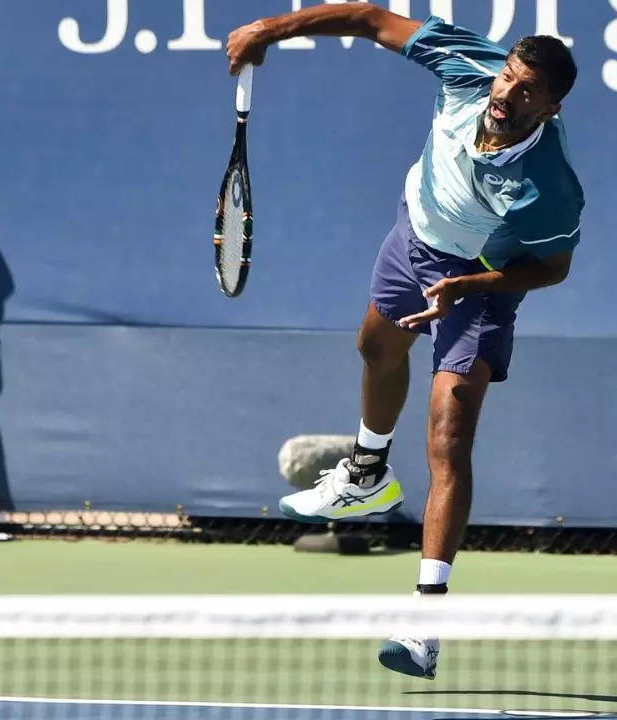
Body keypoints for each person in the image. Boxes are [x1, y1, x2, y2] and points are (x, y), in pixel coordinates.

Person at [226, 5, 582, 679]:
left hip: (480, 281)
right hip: (415, 235)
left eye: (528, 90)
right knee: (375, 348)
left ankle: (427, 620)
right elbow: (364, 17)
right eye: (508, 75)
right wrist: (268, 30)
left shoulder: (547, 186)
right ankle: (366, 474)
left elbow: (553, 267)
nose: (507, 93)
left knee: (449, 437)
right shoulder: (467, 67)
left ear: (552, 107)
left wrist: (472, 286)